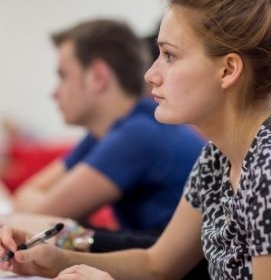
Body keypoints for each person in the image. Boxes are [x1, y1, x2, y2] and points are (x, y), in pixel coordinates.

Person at [1, 0, 271, 280]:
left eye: (170, 56)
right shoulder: (218, 156)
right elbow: (157, 265)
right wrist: (54, 259)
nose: (151, 75)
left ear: (228, 70)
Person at [7, 19, 205, 235]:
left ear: (98, 76)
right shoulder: (107, 132)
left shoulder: (138, 133)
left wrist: (36, 204)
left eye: (63, 76)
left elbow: (39, 216)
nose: (54, 93)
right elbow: (27, 200)